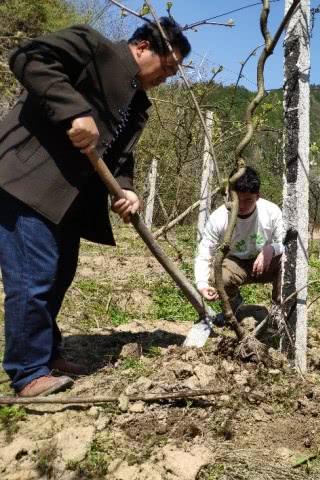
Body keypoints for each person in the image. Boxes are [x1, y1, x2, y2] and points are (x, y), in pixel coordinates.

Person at [0, 19, 191, 397]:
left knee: (58, 275)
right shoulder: (92, 47)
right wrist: (74, 110)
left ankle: (47, 354)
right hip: (29, 183)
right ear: (142, 46)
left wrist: (126, 189)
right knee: (32, 277)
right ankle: (27, 372)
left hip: (69, 200)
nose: (167, 77)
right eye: (167, 67)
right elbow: (26, 57)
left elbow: (120, 156)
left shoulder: (136, 104)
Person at [194, 167, 285, 321]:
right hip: (236, 263)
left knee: (287, 263)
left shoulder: (271, 212)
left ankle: (279, 311)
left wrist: (271, 249)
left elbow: (286, 243)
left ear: (258, 196)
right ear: (229, 194)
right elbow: (205, 251)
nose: (241, 206)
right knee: (218, 276)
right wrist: (202, 284)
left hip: (266, 262)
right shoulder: (219, 217)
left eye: (248, 200)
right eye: (237, 199)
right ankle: (236, 310)